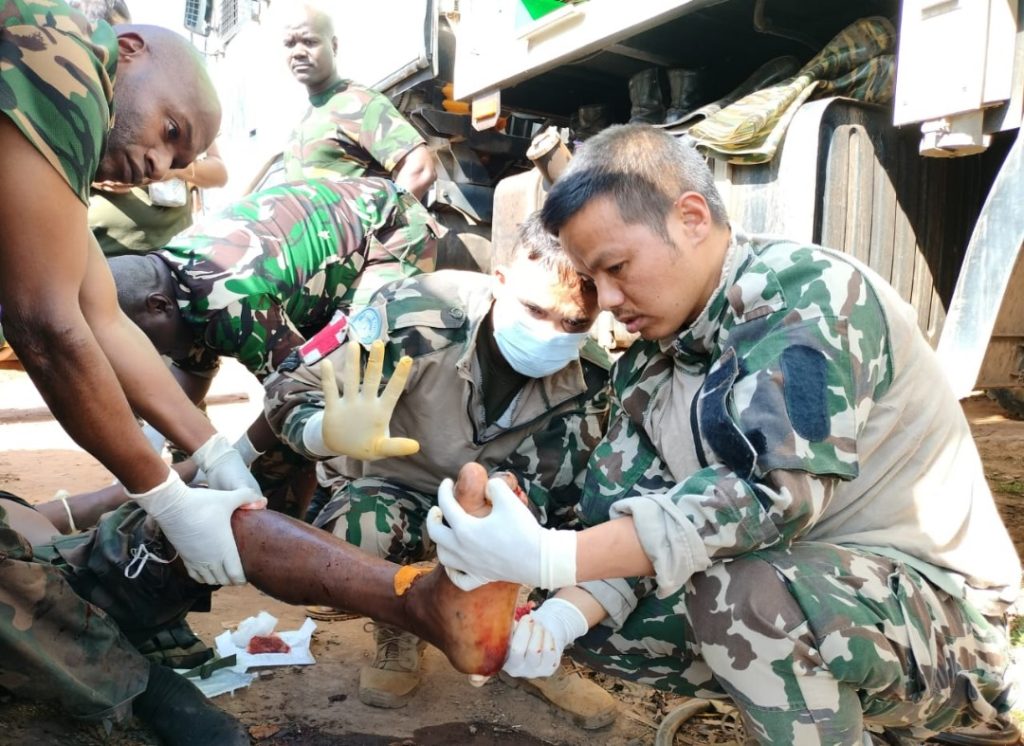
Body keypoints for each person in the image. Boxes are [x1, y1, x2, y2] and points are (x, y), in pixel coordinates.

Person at [427, 125, 1023, 744]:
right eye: (592, 278)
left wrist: (552, 554)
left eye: (617, 267)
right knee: (611, 611)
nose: (605, 299)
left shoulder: (807, 294)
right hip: (833, 594)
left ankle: (955, 718)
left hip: (950, 627)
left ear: (690, 218)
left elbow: (772, 496)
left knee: (744, 599)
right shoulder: (658, 359)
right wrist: (562, 614)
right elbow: (643, 525)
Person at [0, 4, 263, 743]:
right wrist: (166, 494)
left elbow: (100, 316)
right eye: (171, 131)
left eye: (179, 163)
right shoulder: (65, 55)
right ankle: (123, 680)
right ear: (130, 51)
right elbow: (47, 327)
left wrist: (209, 449)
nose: (161, 165)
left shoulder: (55, 152)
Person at [261, 213, 618, 725]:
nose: (549, 333)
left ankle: (532, 644)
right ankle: (400, 628)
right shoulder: (416, 314)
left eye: (573, 323)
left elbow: (566, 498)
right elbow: (290, 386)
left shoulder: (591, 378)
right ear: (500, 282)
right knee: (358, 528)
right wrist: (324, 433)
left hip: (502, 508)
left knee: (583, 530)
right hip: (400, 486)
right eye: (535, 309)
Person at [0, 466, 520, 737]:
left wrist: (183, 482)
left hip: (50, 565)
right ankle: (144, 685)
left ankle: (421, 603)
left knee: (215, 520)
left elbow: (66, 510)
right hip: (26, 614)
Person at [109, 175, 441, 515]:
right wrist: (149, 447)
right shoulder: (169, 277)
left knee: (343, 373)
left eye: (133, 338)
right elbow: (192, 370)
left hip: (390, 231)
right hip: (326, 262)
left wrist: (236, 458)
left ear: (158, 306)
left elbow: (297, 391)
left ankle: (308, 517)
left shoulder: (231, 303)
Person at [280, 2, 436, 199]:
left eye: (310, 42)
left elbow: (419, 169)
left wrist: (380, 226)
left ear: (334, 46)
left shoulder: (360, 103)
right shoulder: (304, 122)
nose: (298, 52)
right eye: (289, 44)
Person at [90, 139, 229, 256]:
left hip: (178, 257)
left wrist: (174, 169)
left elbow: (219, 174)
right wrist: (94, 175)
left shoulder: (184, 111)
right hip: (112, 262)